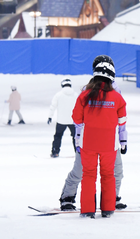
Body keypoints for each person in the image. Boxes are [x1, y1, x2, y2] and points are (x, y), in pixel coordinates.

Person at [72, 55, 127, 219]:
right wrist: (123, 141)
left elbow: (76, 118)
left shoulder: (84, 95)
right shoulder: (117, 98)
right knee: (108, 174)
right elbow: (122, 121)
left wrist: (77, 139)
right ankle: (108, 209)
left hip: (88, 143)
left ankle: (88, 210)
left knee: (88, 175)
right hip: (109, 145)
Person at [59, 80, 128, 212]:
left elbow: (121, 118)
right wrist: (78, 139)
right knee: (80, 171)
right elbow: (79, 118)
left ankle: (112, 198)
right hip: (87, 140)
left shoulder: (115, 90)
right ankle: (67, 197)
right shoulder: (89, 90)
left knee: (116, 172)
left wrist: (122, 140)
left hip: (110, 141)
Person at [48, 79, 78, 158]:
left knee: (58, 136)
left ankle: (55, 152)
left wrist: (50, 116)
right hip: (73, 120)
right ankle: (78, 153)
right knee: (76, 137)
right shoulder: (76, 95)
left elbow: (53, 106)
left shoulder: (58, 95)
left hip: (61, 120)